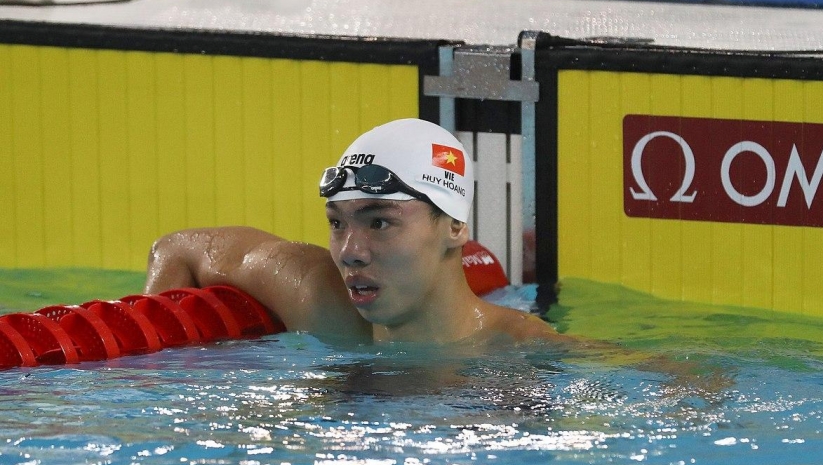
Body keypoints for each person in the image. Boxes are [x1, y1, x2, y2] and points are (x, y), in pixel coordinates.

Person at [144, 118, 557, 344]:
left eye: (380, 222)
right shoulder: (320, 297)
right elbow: (177, 247)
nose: (350, 252)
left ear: (455, 227)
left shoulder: (522, 353)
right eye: (337, 223)